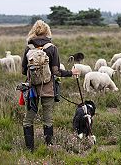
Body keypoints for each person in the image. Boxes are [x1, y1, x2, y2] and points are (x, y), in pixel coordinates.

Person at [21, 20, 80, 151]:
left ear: (33, 32)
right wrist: (71, 72)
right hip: (48, 89)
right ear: (47, 32)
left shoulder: (28, 48)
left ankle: (30, 150)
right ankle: (49, 147)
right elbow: (56, 72)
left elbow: (23, 71)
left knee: (28, 119)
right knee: (47, 118)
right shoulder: (52, 48)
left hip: (31, 90)